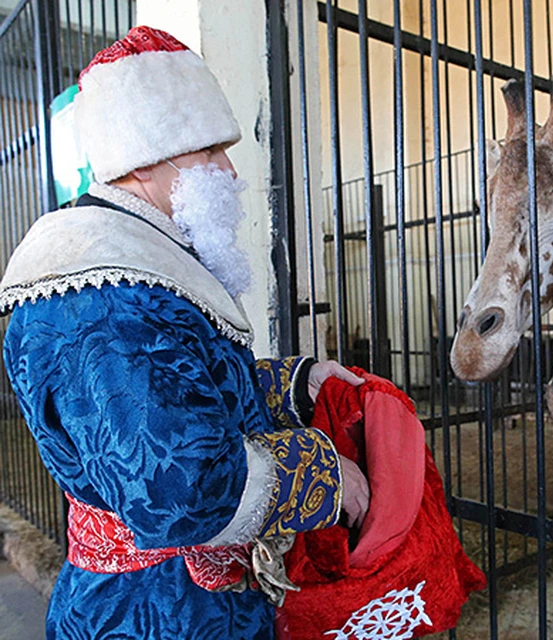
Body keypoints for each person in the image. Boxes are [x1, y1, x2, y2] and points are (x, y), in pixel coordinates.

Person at [0, 26, 370, 639]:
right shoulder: (104, 295)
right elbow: (177, 489)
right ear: (147, 159)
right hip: (153, 612)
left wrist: (295, 385)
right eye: (209, 152)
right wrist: (322, 472)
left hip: (181, 601)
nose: (229, 170)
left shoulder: (134, 260)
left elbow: (182, 385)